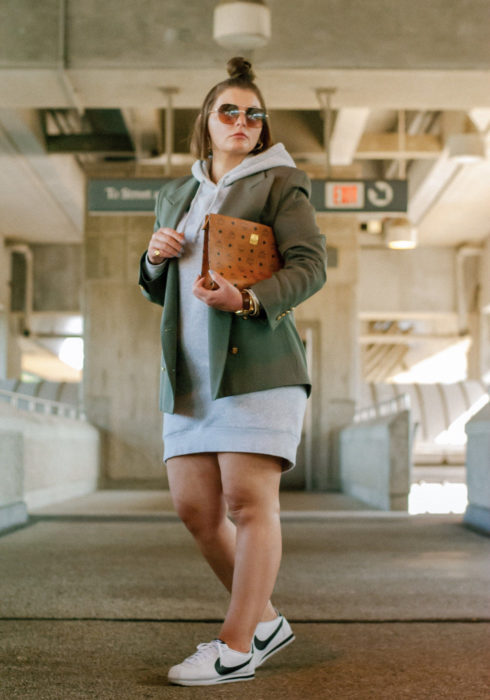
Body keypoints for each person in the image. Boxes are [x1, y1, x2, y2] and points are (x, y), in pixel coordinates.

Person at [139, 57, 326, 686]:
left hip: (258, 367)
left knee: (249, 504)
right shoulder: (177, 194)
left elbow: (309, 267)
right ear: (207, 121)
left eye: (253, 114)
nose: (242, 121)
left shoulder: (281, 183)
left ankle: (237, 644)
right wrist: (154, 255)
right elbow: (157, 290)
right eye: (230, 111)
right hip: (188, 375)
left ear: (262, 127)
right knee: (196, 510)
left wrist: (247, 299)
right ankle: (266, 620)